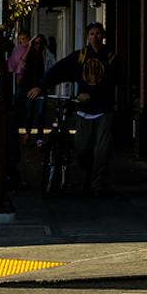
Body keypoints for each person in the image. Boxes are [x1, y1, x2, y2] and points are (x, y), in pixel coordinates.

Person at [34, 23, 118, 193]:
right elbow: (59, 69)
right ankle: (87, 177)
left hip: (103, 109)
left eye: (98, 33)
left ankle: (98, 182)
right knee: (82, 148)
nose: (95, 37)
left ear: (103, 36)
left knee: (101, 150)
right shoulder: (81, 56)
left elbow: (110, 82)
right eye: (92, 33)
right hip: (84, 110)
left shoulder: (110, 57)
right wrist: (41, 86)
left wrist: (91, 94)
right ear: (87, 36)